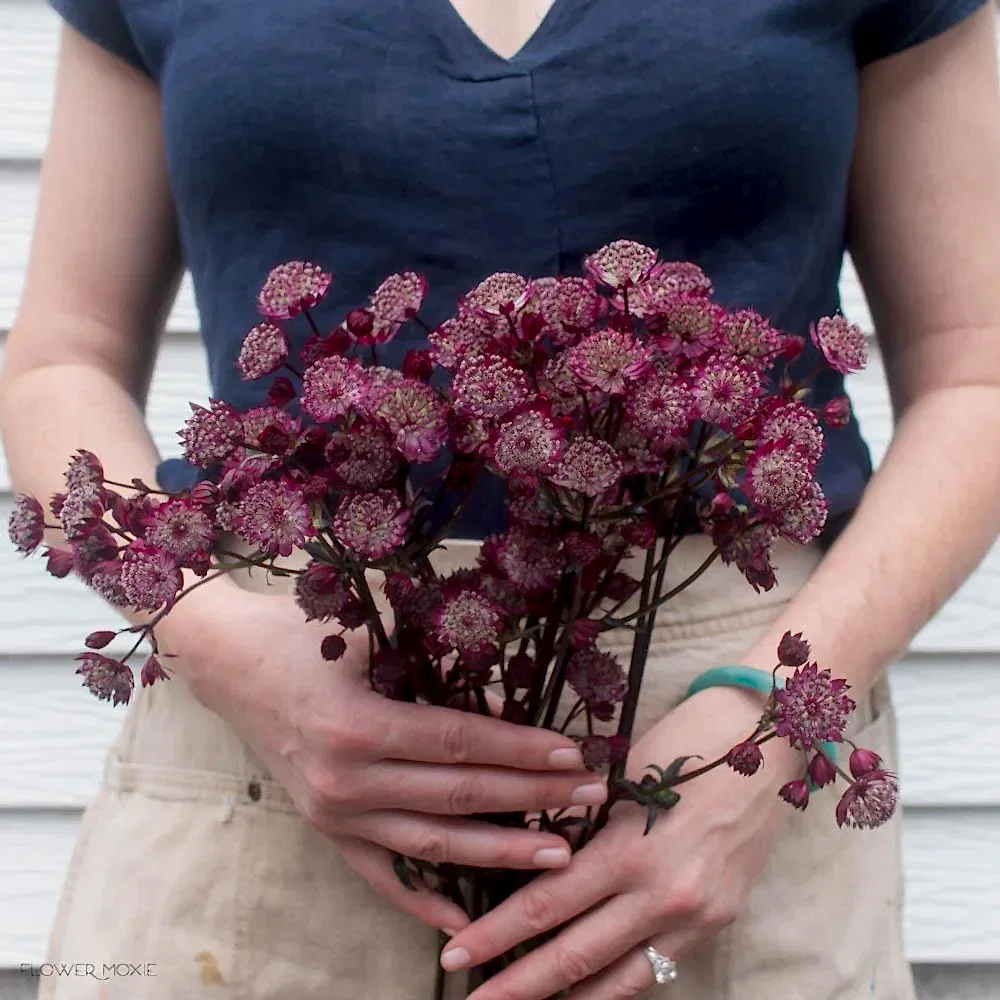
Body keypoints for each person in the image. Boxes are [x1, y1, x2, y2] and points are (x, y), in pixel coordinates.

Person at [2, 0, 1000, 997]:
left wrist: (775, 720)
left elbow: (976, 374)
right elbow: (59, 359)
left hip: (722, 772)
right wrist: (213, 642)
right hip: (267, 729)